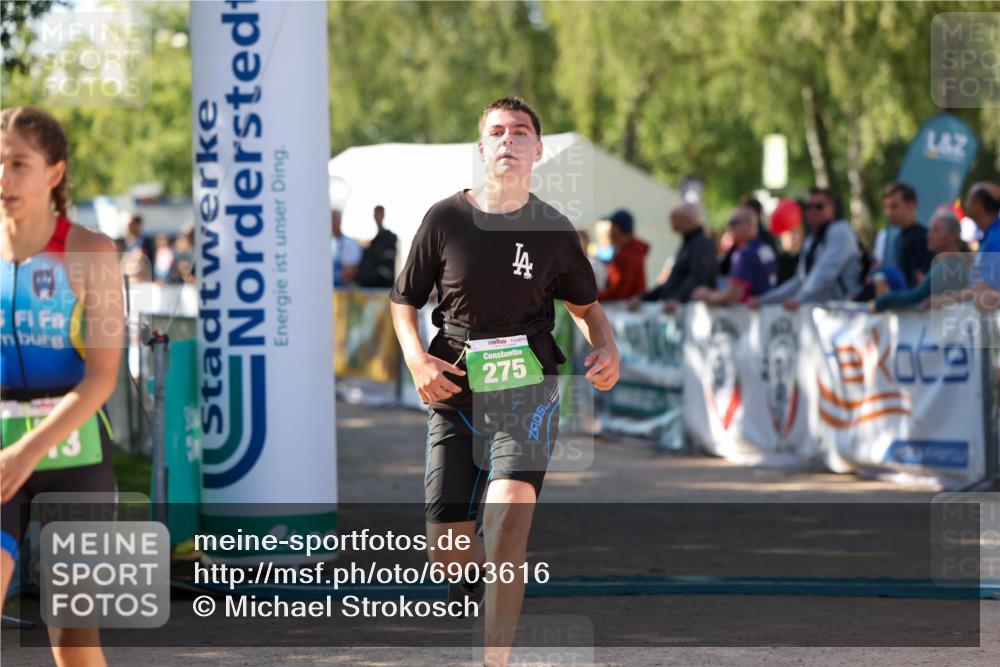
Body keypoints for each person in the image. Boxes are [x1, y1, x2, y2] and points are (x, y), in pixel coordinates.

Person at [388, 96, 620, 667]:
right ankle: (473, 587)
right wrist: (418, 360)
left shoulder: (554, 230)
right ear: (481, 147)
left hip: (529, 388)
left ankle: (495, 661)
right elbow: (402, 302)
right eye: (497, 132)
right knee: (449, 550)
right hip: (455, 389)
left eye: (521, 132)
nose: (509, 141)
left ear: (538, 150)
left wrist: (608, 347)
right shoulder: (445, 219)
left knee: (507, 523)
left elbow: (587, 309)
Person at [1, 106, 124, 666]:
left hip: (75, 454)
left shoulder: (90, 252)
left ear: (54, 172)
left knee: (74, 638)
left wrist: (27, 451)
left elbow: (102, 377)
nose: (4, 178)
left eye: (17, 164)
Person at [752, 187, 861, 309]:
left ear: (833, 208)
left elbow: (825, 273)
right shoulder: (812, 239)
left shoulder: (840, 231)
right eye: (809, 206)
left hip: (847, 313)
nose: (813, 211)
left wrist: (799, 299)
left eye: (819, 206)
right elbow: (801, 279)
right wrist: (764, 300)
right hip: (824, 314)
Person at [874, 208, 971, 311]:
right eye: (930, 230)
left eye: (936, 230)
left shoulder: (950, 265)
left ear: (953, 236)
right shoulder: (951, 263)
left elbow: (915, 296)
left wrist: (881, 301)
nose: (929, 235)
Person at [629, 202, 716, 313]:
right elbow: (672, 282)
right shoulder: (688, 244)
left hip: (691, 315)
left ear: (686, 219)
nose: (671, 222)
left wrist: (678, 299)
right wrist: (643, 298)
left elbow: (698, 277)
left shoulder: (702, 244)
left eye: (674, 218)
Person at [692, 206, 776, 305]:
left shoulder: (744, 254)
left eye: (734, 223)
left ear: (749, 224)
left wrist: (708, 297)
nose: (729, 227)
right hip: (766, 311)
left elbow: (735, 294)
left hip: (748, 315)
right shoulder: (765, 248)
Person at [881, 181, 932, 288]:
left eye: (894, 206)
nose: (889, 212)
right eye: (886, 207)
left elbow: (919, 281)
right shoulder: (899, 239)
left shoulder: (923, 238)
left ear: (912, 204)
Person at [596, 208, 648, 301]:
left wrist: (592, 296)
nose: (609, 231)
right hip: (629, 308)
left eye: (611, 226)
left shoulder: (628, 255)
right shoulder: (632, 250)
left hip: (625, 310)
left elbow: (619, 293)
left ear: (616, 228)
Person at [357, 204, 398, 288]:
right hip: (371, 290)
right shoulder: (373, 242)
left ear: (383, 215)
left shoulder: (390, 239)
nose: (377, 217)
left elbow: (387, 271)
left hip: (382, 290)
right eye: (376, 214)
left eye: (379, 214)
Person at [770, 198, 804, 286]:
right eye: (789, 232)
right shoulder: (779, 261)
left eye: (796, 231)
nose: (793, 237)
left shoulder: (807, 257)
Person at [330, 208, 362, 288]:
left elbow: (352, 269)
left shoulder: (348, 243)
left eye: (333, 221)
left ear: (338, 221)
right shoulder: (331, 242)